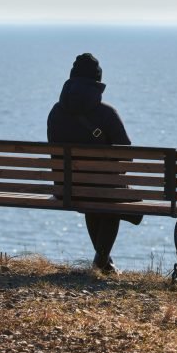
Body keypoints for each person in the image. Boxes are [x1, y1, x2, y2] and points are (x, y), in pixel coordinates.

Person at [47, 53, 141, 273]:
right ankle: (101, 261)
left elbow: (54, 150)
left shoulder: (56, 112)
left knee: (95, 197)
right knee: (109, 197)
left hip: (67, 188)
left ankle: (104, 262)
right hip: (103, 190)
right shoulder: (107, 113)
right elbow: (127, 155)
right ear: (98, 83)